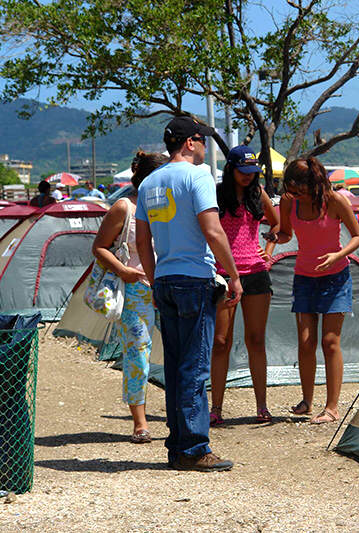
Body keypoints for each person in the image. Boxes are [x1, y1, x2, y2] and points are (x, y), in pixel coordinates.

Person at [136, 116, 243, 472]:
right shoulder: (198, 176)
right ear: (189, 143)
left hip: (165, 279)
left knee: (175, 367)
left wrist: (154, 281)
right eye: (202, 140)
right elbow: (212, 231)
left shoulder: (148, 182)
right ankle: (196, 448)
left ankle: (178, 446)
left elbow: (141, 241)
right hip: (195, 278)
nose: (205, 147)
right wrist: (234, 274)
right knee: (195, 367)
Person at [276, 157, 359, 424]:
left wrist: (338, 255)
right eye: (292, 188)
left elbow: (358, 236)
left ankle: (332, 407)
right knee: (305, 342)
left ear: (313, 183)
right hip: (304, 277)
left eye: (300, 188)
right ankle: (306, 400)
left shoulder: (335, 201)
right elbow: (287, 234)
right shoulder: (289, 202)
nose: (296, 194)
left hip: (336, 277)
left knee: (330, 341)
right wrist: (272, 239)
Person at [92, 150, 168, 444]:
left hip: (169, 283)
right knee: (137, 353)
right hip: (136, 288)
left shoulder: (168, 205)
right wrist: (123, 270)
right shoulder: (124, 207)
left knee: (177, 349)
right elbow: (99, 246)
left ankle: (179, 414)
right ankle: (140, 421)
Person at [209, 146, 280, 426]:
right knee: (220, 342)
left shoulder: (258, 194)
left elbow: (277, 225)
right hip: (223, 273)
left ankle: (262, 405)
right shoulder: (216, 194)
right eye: (243, 171)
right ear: (230, 169)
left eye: (253, 173)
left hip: (256, 273)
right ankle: (216, 407)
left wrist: (269, 249)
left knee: (256, 340)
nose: (248, 177)